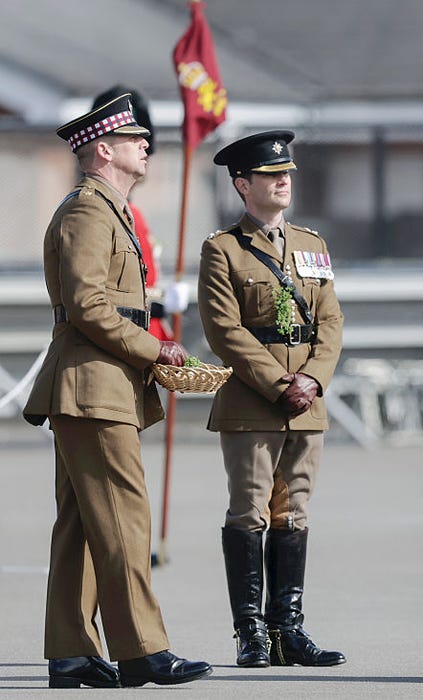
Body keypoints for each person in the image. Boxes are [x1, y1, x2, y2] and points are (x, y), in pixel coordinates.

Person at [22, 93, 212, 688]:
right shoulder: (88, 210)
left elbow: (112, 303)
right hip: (92, 388)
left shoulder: (111, 210)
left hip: (99, 386)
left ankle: (73, 653)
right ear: (103, 150)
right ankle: (142, 651)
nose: (146, 146)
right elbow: (87, 305)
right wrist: (157, 348)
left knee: (82, 525)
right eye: (134, 140)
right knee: (126, 521)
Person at [197, 130, 346, 668]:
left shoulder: (312, 246)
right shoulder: (223, 250)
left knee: (295, 513)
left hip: (308, 403)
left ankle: (289, 628)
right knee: (249, 513)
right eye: (269, 175)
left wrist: (313, 379)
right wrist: (281, 384)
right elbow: (224, 330)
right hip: (254, 404)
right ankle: (251, 632)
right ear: (243, 184)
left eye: (287, 173)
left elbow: (329, 322)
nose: (283, 180)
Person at [90, 86, 190, 342]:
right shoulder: (94, 212)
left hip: (148, 334)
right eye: (134, 142)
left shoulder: (134, 214)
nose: (144, 149)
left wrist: (162, 301)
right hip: (126, 338)